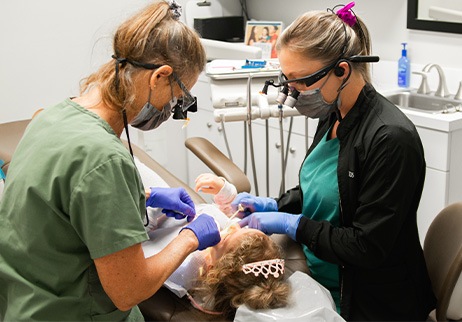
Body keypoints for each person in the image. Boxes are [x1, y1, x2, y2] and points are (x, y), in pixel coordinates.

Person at [0, 1, 221, 321]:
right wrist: (191, 237)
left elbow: (66, 196)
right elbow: (129, 290)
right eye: (178, 99)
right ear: (160, 76)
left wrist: (142, 197)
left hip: (22, 303)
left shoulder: (50, 116)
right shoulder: (103, 159)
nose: (174, 110)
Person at [235, 2, 436, 321]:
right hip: (321, 274)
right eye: (286, 79)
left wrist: (295, 225)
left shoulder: (389, 138)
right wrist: (275, 205)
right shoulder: (333, 113)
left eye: (300, 80)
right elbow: (325, 190)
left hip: (369, 300)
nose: (292, 92)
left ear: (341, 70)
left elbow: (366, 247)